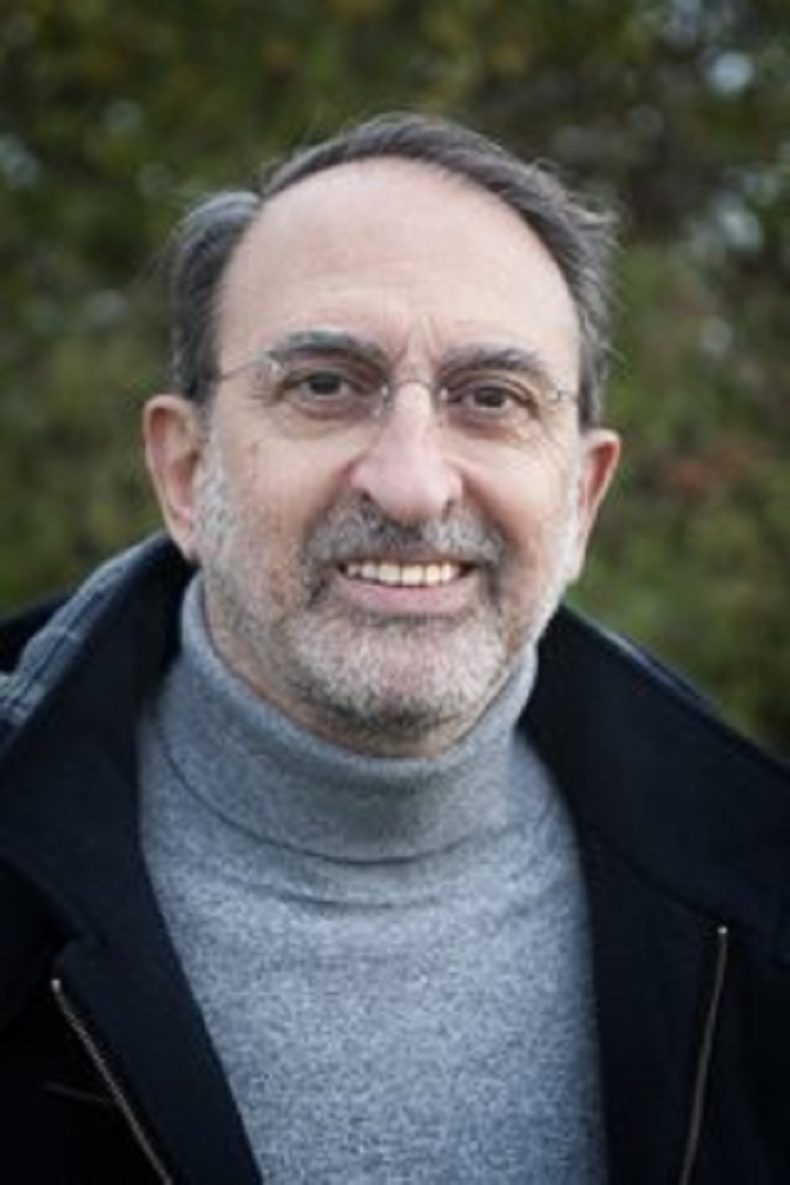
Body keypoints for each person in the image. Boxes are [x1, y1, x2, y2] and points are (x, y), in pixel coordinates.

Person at [0, 113, 787, 1185]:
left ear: (581, 501)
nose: (412, 484)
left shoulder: (759, 908)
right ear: (186, 473)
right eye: (326, 385)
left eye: (493, 399)